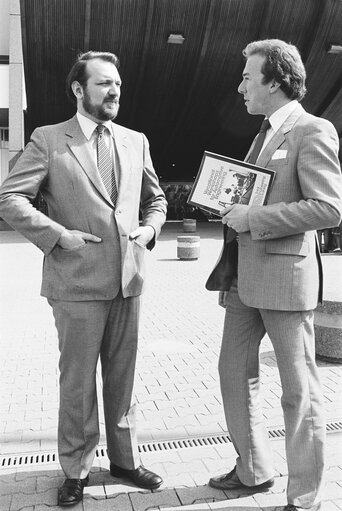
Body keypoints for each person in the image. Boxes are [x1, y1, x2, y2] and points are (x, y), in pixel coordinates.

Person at [0, 51, 167, 507]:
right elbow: (11, 197)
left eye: (117, 84)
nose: (114, 92)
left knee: (123, 380)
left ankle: (125, 461)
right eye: (103, 84)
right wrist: (57, 236)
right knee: (77, 383)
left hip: (128, 282)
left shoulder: (136, 141)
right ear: (79, 89)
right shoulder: (49, 139)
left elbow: (156, 200)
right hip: (75, 283)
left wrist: (150, 229)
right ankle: (76, 469)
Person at [206, 39, 342, 511]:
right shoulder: (262, 134)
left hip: (286, 282)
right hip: (244, 281)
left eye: (247, 76)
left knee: (298, 394)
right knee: (232, 376)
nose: (240, 85)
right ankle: (253, 469)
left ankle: (304, 497)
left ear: (275, 81)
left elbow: (328, 208)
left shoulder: (313, 130)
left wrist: (254, 219)